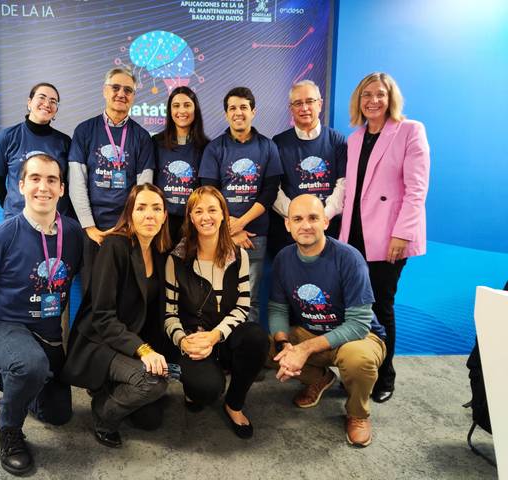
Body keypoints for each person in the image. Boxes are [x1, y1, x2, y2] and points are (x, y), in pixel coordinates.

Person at [0, 154, 83, 475]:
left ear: (62, 189)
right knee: (29, 364)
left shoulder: (73, 234)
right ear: (22, 185)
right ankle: (10, 431)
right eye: (35, 178)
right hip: (0, 325)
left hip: (47, 333)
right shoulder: (1, 235)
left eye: (52, 180)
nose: (44, 187)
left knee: (58, 414)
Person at [340, 72, 430, 403]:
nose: (373, 101)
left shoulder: (409, 131)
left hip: (389, 237)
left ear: (391, 97)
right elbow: (352, 192)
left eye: (380, 94)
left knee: (381, 305)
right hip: (356, 237)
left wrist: (402, 234)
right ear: (358, 101)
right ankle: (358, 371)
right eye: (366, 95)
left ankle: (384, 375)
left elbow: (416, 188)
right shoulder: (354, 139)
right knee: (356, 308)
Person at [270, 194, 386, 447]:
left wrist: (304, 349)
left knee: (359, 360)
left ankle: (358, 414)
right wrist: (284, 345)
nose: (306, 225)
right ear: (287, 225)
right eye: (297, 219)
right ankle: (319, 379)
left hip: (358, 337)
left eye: (313, 218)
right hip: (309, 332)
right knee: (263, 345)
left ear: (325, 221)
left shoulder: (349, 258)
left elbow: (358, 324)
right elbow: (277, 308)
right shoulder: (283, 258)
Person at [61, 184, 172, 448]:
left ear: (165, 216)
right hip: (100, 341)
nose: (149, 215)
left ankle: (106, 389)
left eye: (157, 208)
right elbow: (103, 317)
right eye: (141, 208)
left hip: (128, 340)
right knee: (153, 384)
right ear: (130, 213)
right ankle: (103, 415)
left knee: (150, 420)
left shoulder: (158, 252)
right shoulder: (114, 246)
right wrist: (144, 351)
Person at [165, 186, 269, 439]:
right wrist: (184, 341)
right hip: (195, 337)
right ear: (190, 217)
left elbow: (243, 306)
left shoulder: (239, 255)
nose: (205, 217)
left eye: (212, 209)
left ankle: (234, 404)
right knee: (206, 390)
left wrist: (216, 336)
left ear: (224, 214)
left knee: (256, 338)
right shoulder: (176, 259)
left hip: (226, 335)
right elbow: (169, 314)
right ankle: (195, 383)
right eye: (198, 211)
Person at [199, 87, 282, 324]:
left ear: (253, 111)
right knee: (217, 296)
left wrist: (240, 224)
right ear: (226, 114)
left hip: (254, 235)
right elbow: (209, 193)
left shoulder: (268, 147)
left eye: (243, 107)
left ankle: (248, 354)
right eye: (232, 108)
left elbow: (269, 192)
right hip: (218, 235)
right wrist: (227, 230)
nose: (238, 112)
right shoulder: (214, 148)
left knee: (250, 299)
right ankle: (219, 353)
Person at [68, 66, 155, 293]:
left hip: (127, 230)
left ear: (134, 97)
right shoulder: (84, 131)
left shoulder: (142, 137)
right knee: (92, 294)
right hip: (92, 230)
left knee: (125, 294)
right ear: (105, 91)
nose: (121, 94)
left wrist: (128, 226)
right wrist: (89, 227)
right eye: (115, 87)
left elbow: (143, 189)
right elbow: (76, 182)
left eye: (128, 90)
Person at [271, 80, 347, 256]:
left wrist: (322, 217)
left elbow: (344, 184)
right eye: (298, 103)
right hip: (290, 234)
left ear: (319, 104)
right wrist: (296, 217)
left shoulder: (337, 141)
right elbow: (273, 187)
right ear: (291, 108)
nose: (304, 108)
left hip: (330, 229)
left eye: (310, 101)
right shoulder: (278, 143)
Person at [0, 83, 72, 218]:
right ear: (29, 102)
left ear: (56, 110)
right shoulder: (7, 137)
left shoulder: (65, 142)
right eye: (42, 97)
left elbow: (68, 185)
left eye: (53, 101)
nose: (47, 104)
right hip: (18, 219)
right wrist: (15, 212)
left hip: (55, 221)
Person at [153, 86, 209, 244]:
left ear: (195, 109)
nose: (181, 111)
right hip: (163, 222)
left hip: (193, 222)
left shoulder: (207, 147)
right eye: (176, 106)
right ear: (170, 111)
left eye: (187, 105)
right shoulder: (156, 143)